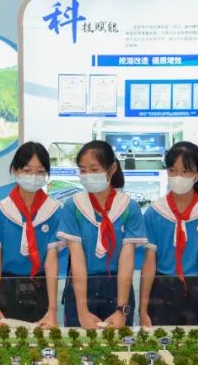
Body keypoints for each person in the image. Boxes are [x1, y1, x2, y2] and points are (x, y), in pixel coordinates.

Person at [57, 140, 144, 328]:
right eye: (83, 170)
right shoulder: (73, 207)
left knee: (119, 343)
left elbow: (127, 260)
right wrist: (82, 310)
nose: (88, 175)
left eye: (94, 169)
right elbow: (77, 259)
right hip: (81, 288)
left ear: (112, 169)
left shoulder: (129, 207)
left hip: (118, 289)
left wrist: (121, 309)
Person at [139, 142, 198, 327]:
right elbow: (149, 262)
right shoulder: (155, 212)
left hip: (196, 288)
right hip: (161, 288)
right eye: (173, 171)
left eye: (185, 171)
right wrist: (143, 308)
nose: (178, 177)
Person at [0, 142, 63, 327]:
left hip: (41, 288)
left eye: (40, 171)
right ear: (15, 170)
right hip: (7, 289)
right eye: (27, 170)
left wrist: (52, 310)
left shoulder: (54, 211)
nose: (33, 176)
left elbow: (51, 261)